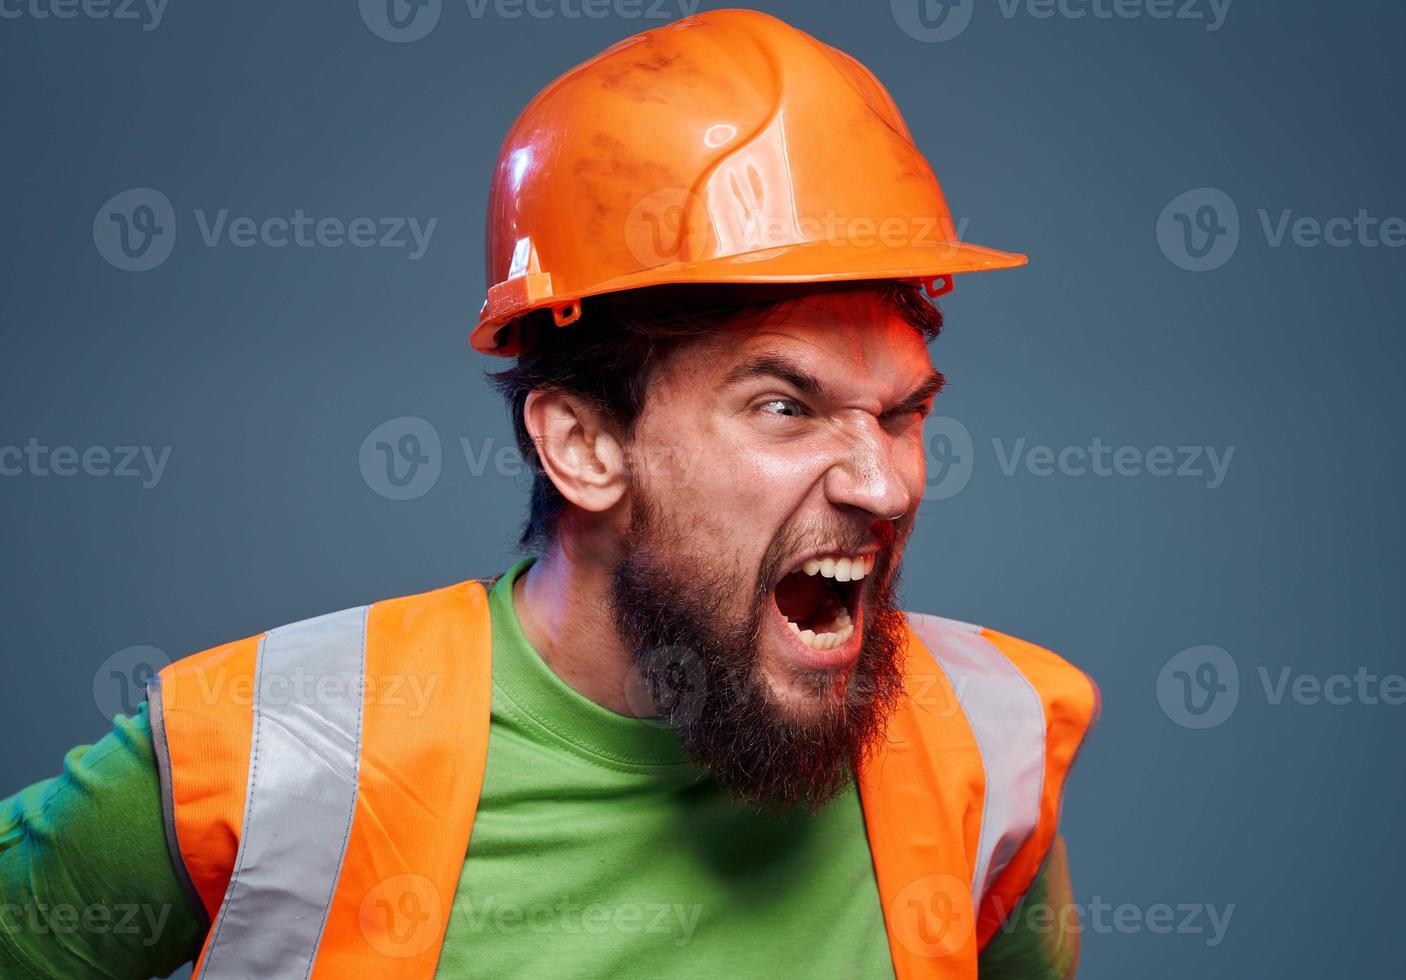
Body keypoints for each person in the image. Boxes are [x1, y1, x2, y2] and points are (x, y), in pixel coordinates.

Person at [0, 9, 1097, 978]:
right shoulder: (265, 751)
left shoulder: (992, 740)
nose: (885, 481)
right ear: (582, 442)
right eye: (785, 407)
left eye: (903, 410)